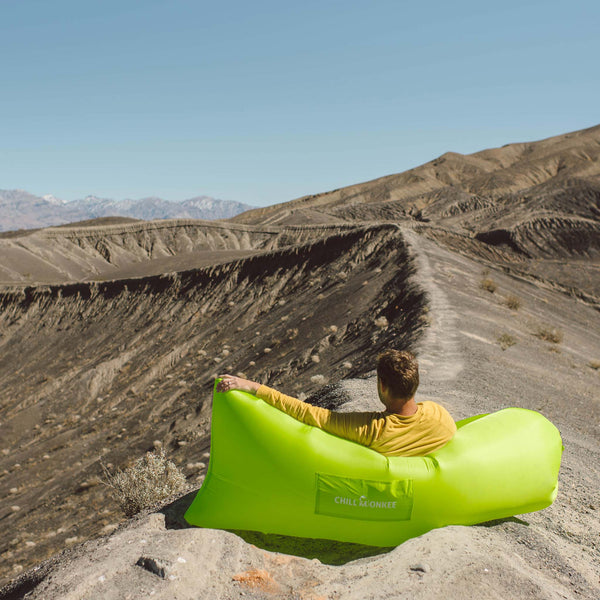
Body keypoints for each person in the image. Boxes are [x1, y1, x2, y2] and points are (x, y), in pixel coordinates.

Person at [216, 349, 456, 457]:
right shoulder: (440, 414)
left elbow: (308, 413)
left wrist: (255, 387)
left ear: (382, 386)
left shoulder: (373, 430)